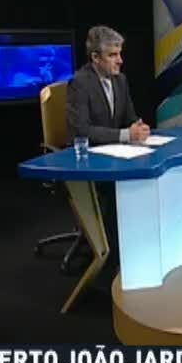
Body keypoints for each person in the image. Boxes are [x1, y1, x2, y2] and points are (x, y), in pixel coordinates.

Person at [66, 25, 151, 294]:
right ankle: (110, 269)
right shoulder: (79, 84)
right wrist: (126, 134)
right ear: (95, 58)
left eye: (120, 53)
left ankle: (138, 254)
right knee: (119, 192)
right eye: (113, 55)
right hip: (89, 162)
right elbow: (81, 130)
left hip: (117, 156)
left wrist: (138, 126)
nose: (120, 60)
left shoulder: (120, 81)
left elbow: (129, 117)